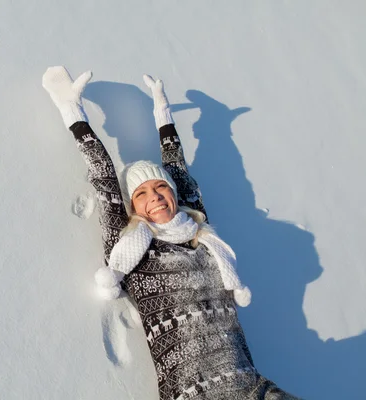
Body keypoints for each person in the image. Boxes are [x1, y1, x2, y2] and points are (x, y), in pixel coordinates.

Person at [42, 66, 299, 400]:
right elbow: (103, 175)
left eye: (161, 187)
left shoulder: (200, 232)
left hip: (254, 386)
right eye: (142, 194)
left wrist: (163, 112)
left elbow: (177, 166)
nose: (155, 197)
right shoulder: (128, 245)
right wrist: (73, 114)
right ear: (133, 207)